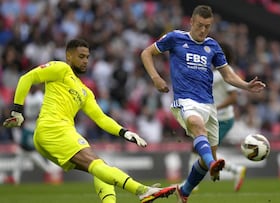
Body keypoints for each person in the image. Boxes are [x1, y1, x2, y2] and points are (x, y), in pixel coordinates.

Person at [3, 38, 175, 203]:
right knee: (98, 165)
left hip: (53, 135)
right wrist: (17, 110)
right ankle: (142, 191)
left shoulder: (85, 91)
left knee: (101, 168)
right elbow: (26, 78)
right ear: (68, 56)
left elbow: (101, 118)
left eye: (87, 57)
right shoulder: (61, 68)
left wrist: (125, 132)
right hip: (53, 129)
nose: (85, 61)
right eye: (81, 56)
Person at [140, 5, 266, 203]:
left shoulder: (213, 46)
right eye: (199, 25)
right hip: (185, 100)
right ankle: (214, 163)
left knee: (204, 161)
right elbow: (146, 53)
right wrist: (156, 77)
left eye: (207, 26)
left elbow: (227, 74)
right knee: (198, 128)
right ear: (191, 21)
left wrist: (246, 86)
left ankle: (185, 190)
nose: (203, 30)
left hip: (209, 105)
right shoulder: (175, 38)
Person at [187, 42, 247, 192]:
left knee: (201, 149)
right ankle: (235, 170)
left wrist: (214, 108)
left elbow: (234, 97)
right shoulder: (213, 73)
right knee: (199, 148)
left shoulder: (227, 72)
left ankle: (234, 170)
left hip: (224, 119)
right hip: (213, 118)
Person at [8, 85, 62, 184]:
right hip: (28, 126)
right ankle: (15, 178)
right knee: (22, 152)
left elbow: (44, 111)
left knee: (27, 151)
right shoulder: (29, 96)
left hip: (34, 127)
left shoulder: (39, 98)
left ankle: (49, 171)